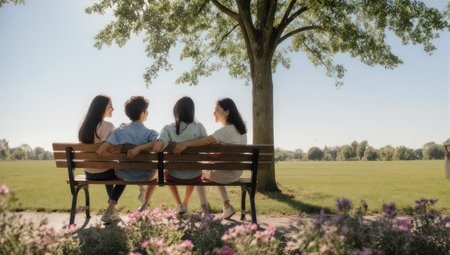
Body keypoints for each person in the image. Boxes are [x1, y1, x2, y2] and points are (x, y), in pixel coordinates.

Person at [127, 96, 210, 217]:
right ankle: (185, 204)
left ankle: (180, 204)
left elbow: (156, 148)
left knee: (167, 172)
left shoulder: (169, 128)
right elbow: (207, 142)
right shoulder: (199, 127)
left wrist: (146, 145)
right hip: (194, 177)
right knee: (193, 170)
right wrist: (189, 144)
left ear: (176, 111)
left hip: (174, 176)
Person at [173, 98, 247, 219]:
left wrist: (187, 144)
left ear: (227, 112)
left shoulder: (226, 130)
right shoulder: (241, 130)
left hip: (225, 175)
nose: (214, 113)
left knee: (198, 174)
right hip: (235, 173)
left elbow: (207, 140)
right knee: (214, 169)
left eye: (217, 110)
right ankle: (227, 206)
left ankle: (205, 209)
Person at [97, 96, 159, 216]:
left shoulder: (119, 131)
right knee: (158, 170)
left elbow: (101, 151)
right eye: (146, 110)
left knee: (127, 168)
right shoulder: (151, 133)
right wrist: (140, 147)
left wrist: (117, 151)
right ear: (143, 113)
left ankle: (111, 208)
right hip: (146, 175)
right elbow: (159, 143)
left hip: (123, 174)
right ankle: (145, 201)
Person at [78, 95, 126, 223]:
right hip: (103, 172)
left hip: (89, 173)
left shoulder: (84, 127)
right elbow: (107, 151)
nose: (113, 109)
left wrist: (117, 131)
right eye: (110, 106)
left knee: (107, 170)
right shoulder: (107, 126)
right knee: (126, 174)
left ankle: (113, 211)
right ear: (101, 108)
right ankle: (110, 209)